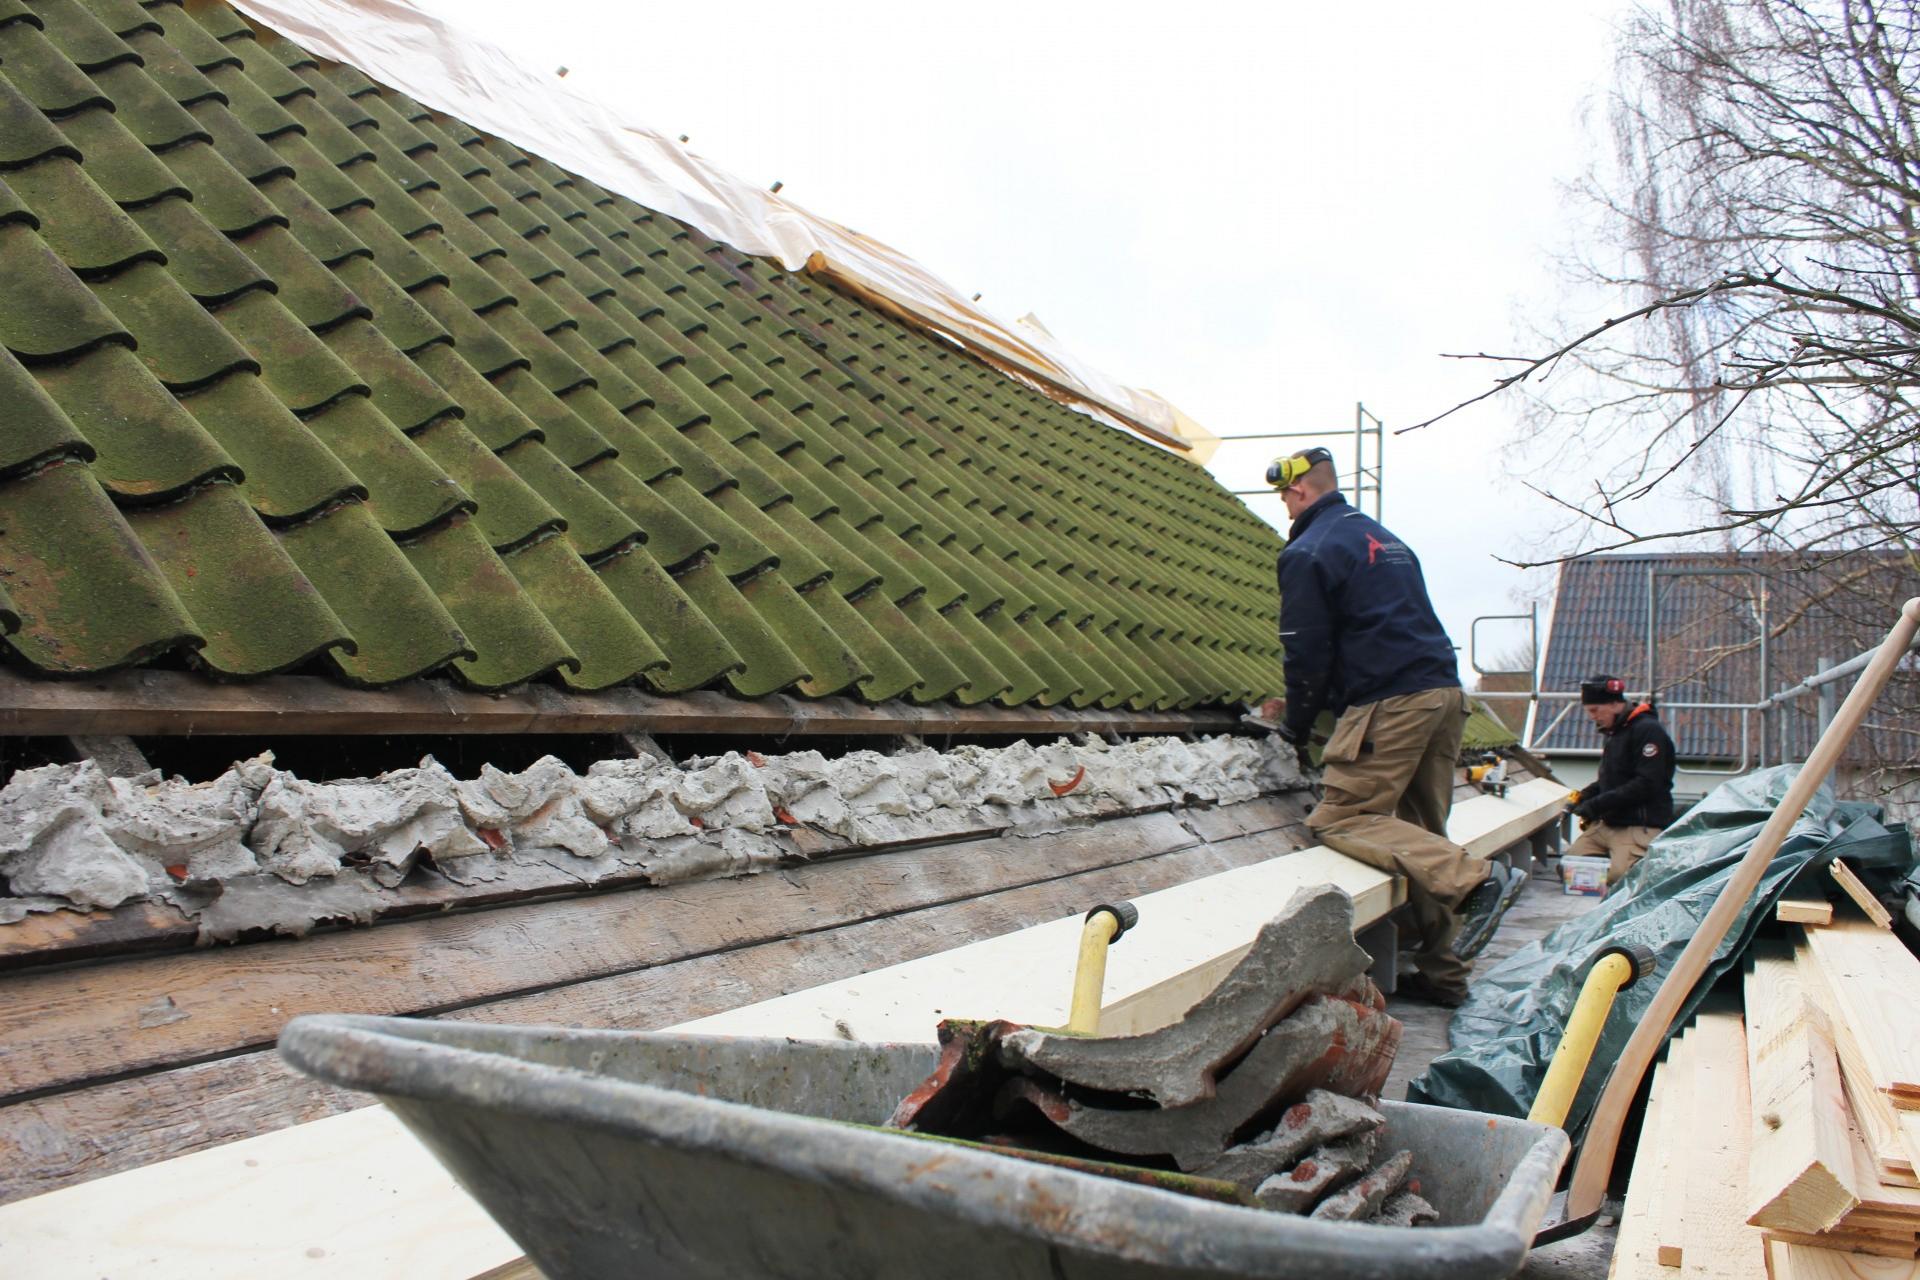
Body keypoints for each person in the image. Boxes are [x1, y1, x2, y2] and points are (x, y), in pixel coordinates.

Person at [1267, 448, 1513, 1008]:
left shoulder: (1309, 550)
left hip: (1393, 702)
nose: (1283, 504)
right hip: (1444, 695)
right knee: (1423, 834)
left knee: (1344, 817)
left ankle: (1476, 880)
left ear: (1300, 490)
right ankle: (1446, 977)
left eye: (1284, 494)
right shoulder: (1385, 539)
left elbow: (1307, 651)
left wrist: (1298, 725)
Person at [1565, 675, 1676, 884]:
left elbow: (1647, 784)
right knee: (1572, 870)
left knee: (1621, 880)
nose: (1592, 717)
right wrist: (1587, 795)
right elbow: (1614, 779)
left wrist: (1597, 804)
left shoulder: (1648, 731)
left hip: (1638, 826)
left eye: (1595, 710)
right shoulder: (1615, 733)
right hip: (1609, 823)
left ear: (1615, 704)